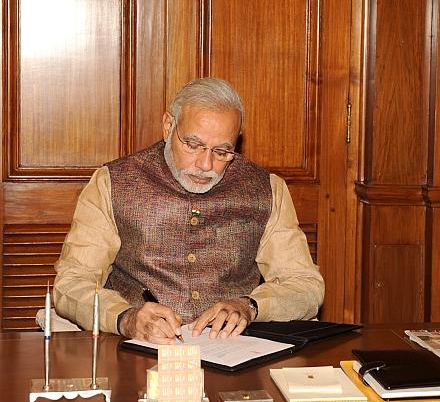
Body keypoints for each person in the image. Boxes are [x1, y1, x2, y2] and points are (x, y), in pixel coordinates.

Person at [53, 77, 324, 344]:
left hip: (236, 350)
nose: (206, 164)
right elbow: (73, 282)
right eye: (193, 145)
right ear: (169, 126)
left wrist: (250, 306)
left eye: (222, 151)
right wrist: (125, 318)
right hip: (137, 350)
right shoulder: (113, 182)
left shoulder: (266, 189)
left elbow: (305, 286)